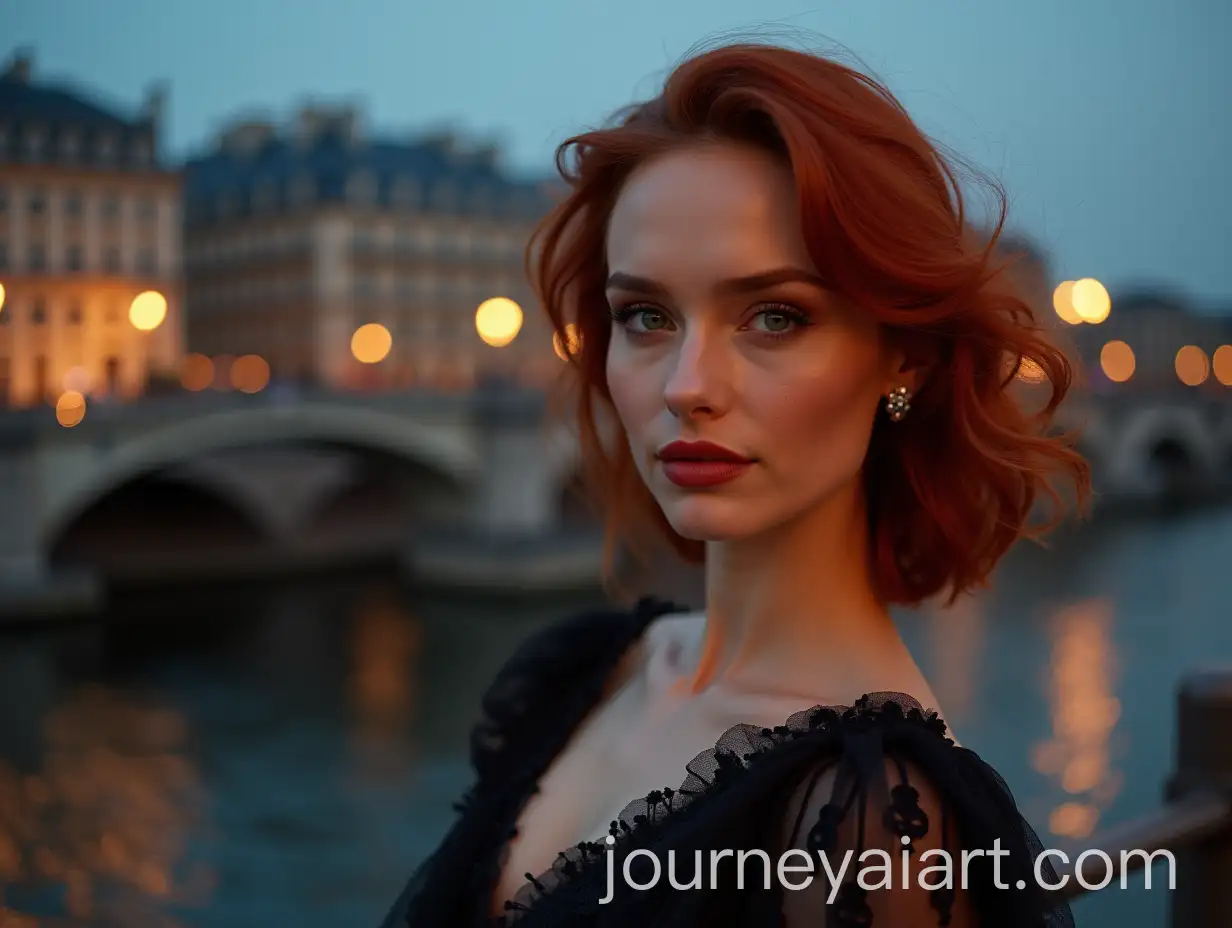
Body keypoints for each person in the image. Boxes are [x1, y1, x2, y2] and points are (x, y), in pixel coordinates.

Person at [381, 39, 1089, 928]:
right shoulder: (595, 668)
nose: (686, 384)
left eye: (774, 316)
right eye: (646, 316)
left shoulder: (865, 822)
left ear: (901, 355)